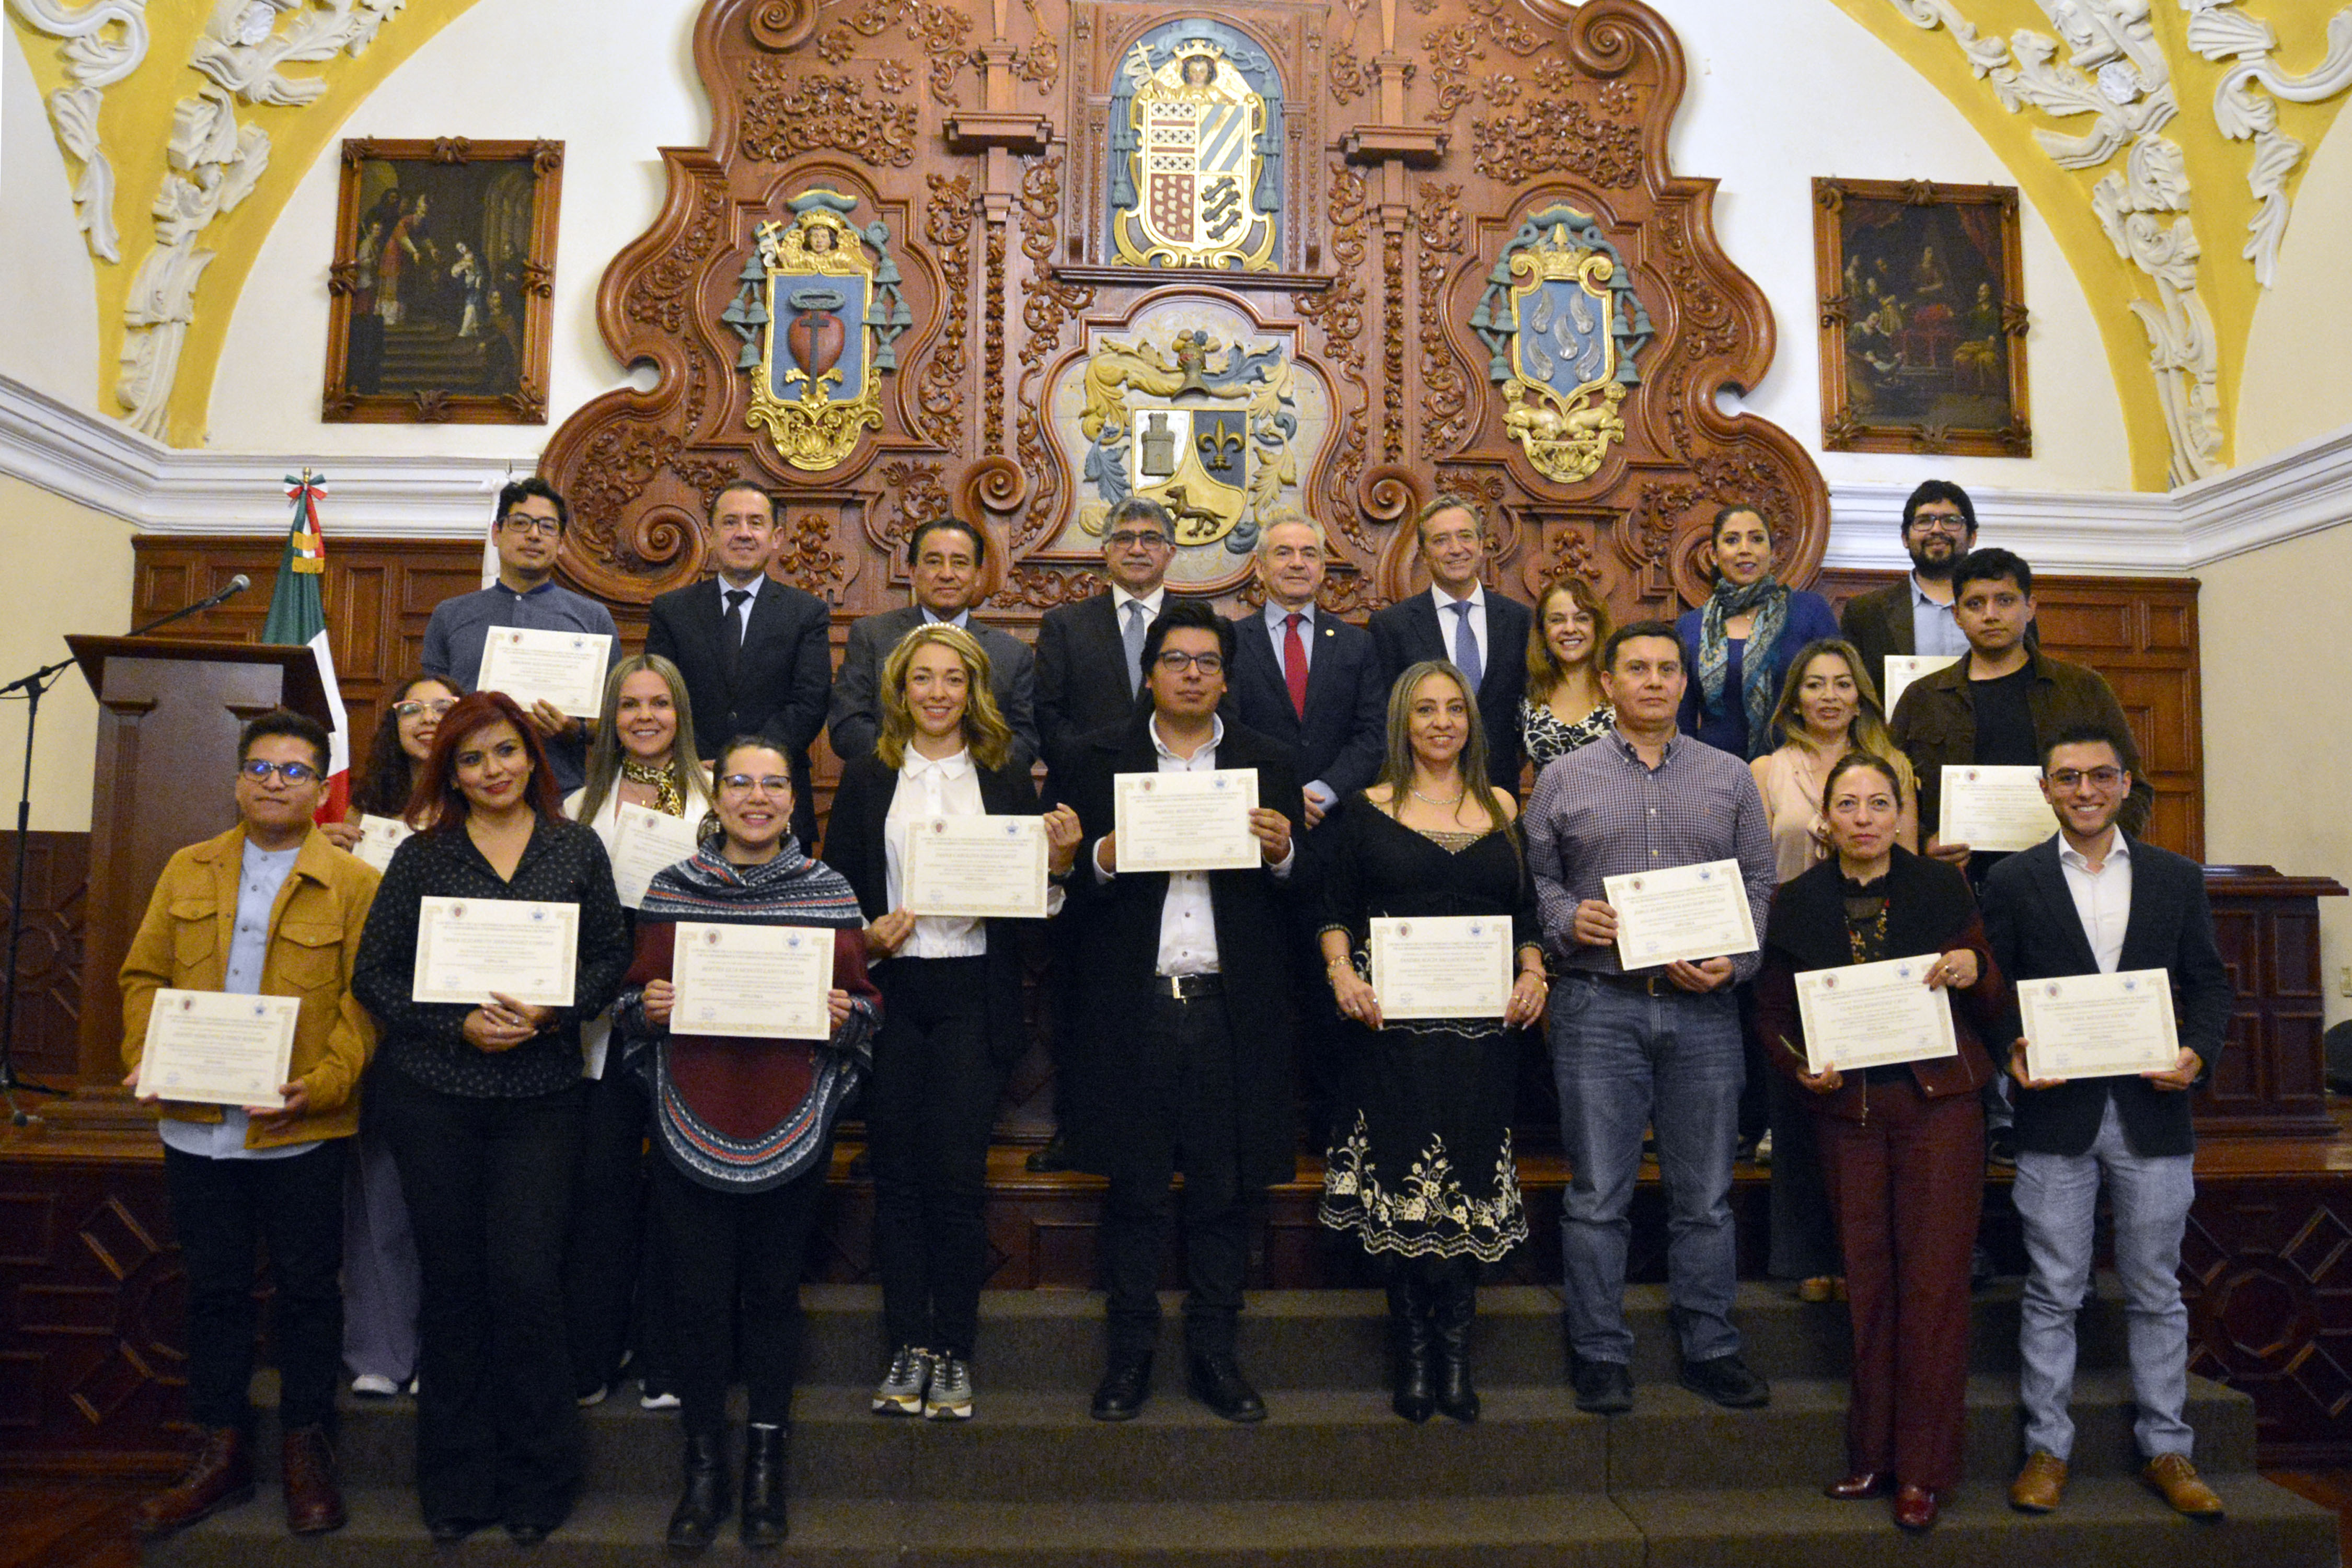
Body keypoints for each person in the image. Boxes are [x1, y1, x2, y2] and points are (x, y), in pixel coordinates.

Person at [349, 690, 631, 1544]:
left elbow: (611, 958)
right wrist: (455, 1021)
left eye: (506, 752)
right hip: (435, 1094)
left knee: (524, 1277)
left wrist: (551, 1013)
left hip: (540, 1098)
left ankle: (541, 1476)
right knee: (456, 1281)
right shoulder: (422, 858)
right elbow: (376, 977)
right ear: (451, 773)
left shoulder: (575, 848)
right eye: (472, 760)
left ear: (530, 758)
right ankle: (456, 1481)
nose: (492, 770)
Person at [612, 737, 881, 1550]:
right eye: (740, 783)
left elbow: (868, 1006)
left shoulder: (828, 890)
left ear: (794, 801)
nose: (756, 798)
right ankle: (703, 1468)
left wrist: (847, 1019)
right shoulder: (671, 887)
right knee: (695, 1303)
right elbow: (628, 1002)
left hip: (790, 1119)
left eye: (773, 785)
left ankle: (766, 1462)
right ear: (717, 796)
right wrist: (647, 1006)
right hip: (692, 1114)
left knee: (770, 1299)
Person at [119, 710, 380, 1539]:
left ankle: (309, 1448)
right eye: (261, 768)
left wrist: (327, 1086)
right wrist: (148, 1055)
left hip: (300, 1126)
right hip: (195, 1123)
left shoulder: (356, 885)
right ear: (238, 780)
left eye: (295, 770)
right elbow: (142, 974)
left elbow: (366, 1004)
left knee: (308, 1290)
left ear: (321, 787)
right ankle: (219, 1453)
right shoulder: (185, 869)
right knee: (217, 1290)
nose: (276, 782)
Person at [825, 625, 1082, 1423]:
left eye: (953, 680)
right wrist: (864, 936)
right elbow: (834, 894)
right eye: (923, 679)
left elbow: (1033, 912)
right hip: (893, 995)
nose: (938, 694)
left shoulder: (1004, 777)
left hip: (975, 993)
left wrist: (1062, 868)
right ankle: (908, 1344)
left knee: (956, 1178)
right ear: (900, 691)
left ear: (976, 692)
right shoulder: (869, 779)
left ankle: (954, 1349)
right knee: (897, 1177)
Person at [1057, 600, 1304, 1423]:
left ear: (1227, 678)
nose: (1192, 673)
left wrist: (1284, 854)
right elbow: (1054, 896)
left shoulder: (1271, 761)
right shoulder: (1093, 761)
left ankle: (1215, 1358)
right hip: (1134, 1011)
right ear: (1150, 672)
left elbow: (1309, 898)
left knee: (1222, 1194)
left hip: (1232, 1011)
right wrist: (1098, 855)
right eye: (1176, 660)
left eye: (1206, 661)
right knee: (1133, 1192)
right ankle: (1128, 1360)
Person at [1523, 620, 1775, 1415]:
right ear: (1607, 683)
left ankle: (1711, 1344)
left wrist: (1735, 965)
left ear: (1684, 683)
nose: (1656, 681)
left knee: (1705, 1194)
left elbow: (1761, 890)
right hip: (1599, 1006)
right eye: (1637, 668)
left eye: (1669, 668)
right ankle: (1600, 1351)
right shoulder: (1562, 777)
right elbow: (1537, 883)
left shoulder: (1731, 776)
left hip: (1704, 1014)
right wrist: (1569, 921)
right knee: (1599, 1193)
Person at [1982, 725, 2232, 1521]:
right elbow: (1993, 992)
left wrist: (2196, 1054)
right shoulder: (2014, 882)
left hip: (2154, 1114)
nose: (2084, 791)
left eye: (2099, 777)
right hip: (2057, 1112)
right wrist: (2006, 1050)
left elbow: (2212, 986)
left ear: (2126, 785)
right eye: (2067, 779)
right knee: (2054, 1290)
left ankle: (2170, 1449)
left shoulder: (2176, 878)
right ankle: (2047, 1452)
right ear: (2045, 790)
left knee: (2156, 1289)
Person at [1753, 753, 2006, 1532]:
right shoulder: (1794, 902)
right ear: (1824, 820)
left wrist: (1973, 966)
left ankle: (1923, 1471)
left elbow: (1992, 986)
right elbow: (1770, 1016)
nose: (1863, 817)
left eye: (1879, 803)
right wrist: (1805, 1073)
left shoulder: (1942, 887)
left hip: (1939, 1106)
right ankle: (1871, 1454)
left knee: (1932, 1285)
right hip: (1850, 1113)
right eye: (1848, 804)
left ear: (1901, 815)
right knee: (1867, 1280)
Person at [1317, 661, 1546, 1424]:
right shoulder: (1367, 808)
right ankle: (1414, 1355)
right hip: (1392, 1035)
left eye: (1455, 709)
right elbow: (1334, 907)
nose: (1442, 722)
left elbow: (1528, 915)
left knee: (1470, 1183)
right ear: (1402, 723)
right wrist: (1342, 973)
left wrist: (1535, 970)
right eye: (1425, 711)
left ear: (1472, 723)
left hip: (1485, 1036)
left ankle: (1456, 1354)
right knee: (1405, 1189)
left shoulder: (1504, 805)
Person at [1029, 495, 1215, 1172]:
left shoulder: (1197, 629)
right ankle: (1076, 1128)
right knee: (1083, 984)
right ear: (1105, 551)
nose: (1137, 548)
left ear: (1170, 551)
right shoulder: (1066, 624)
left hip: (1185, 825)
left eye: (1151, 538)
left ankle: (1177, 1132)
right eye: (1125, 538)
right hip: (1089, 822)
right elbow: (1048, 714)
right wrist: (1105, 777)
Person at [562, 653, 715, 1412]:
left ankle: (667, 1357)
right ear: (610, 718)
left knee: (683, 1199)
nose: (646, 717)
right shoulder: (572, 807)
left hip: (692, 1019)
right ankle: (595, 1349)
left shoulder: (717, 800)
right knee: (600, 1192)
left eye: (660, 703)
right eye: (630, 706)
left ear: (681, 713)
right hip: (601, 1025)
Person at [1748, 639, 1918, 1302]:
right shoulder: (1766, 768)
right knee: (1802, 1107)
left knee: (1869, 1110)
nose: (1828, 696)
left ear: (1860, 694)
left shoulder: (1893, 765)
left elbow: (1908, 860)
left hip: (1877, 948)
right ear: (1794, 697)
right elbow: (1757, 863)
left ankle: (1869, 1258)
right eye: (1814, 684)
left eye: (1842, 684)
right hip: (1795, 944)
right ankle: (1808, 1253)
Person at [330, 674, 459, 1400]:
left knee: (446, 1198)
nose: (430, 719)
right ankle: (381, 1348)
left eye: (446, 709)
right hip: (375, 1018)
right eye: (416, 708)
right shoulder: (361, 815)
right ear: (395, 725)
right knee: (375, 1187)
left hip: (460, 1025)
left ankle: (444, 1346)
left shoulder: (485, 806)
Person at [1888, 547, 2152, 874]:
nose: (1990, 614)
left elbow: (2134, 789)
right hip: (1953, 887)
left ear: (2030, 608)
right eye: (1975, 604)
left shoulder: (2082, 689)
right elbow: (1887, 793)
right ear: (1957, 616)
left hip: (2064, 880)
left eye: (2005, 601)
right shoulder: (1922, 698)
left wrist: (2094, 850)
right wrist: (1924, 843)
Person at [644, 479, 834, 852]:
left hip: (777, 796)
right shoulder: (671, 610)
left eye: (755, 522)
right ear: (711, 535)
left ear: (776, 536)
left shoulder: (807, 613)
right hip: (690, 785)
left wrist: (744, 768)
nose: (744, 533)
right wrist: (697, 761)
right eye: (731, 523)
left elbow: (809, 704)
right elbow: (661, 697)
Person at [421, 478, 617, 795]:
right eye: (521, 523)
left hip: (559, 792)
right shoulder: (450, 615)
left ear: (562, 542)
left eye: (547, 526)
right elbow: (432, 708)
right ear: (497, 534)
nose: (534, 534)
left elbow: (616, 723)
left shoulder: (593, 618)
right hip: (468, 792)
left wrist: (573, 729)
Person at [827, 515, 1040, 769]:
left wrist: (958, 765)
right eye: (934, 562)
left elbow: (1024, 741)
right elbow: (847, 727)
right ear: (913, 572)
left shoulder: (1012, 654)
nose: (947, 574)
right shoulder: (871, 636)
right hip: (888, 786)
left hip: (978, 792)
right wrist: (916, 763)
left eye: (960, 563)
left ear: (978, 575)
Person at [1226, 517, 1387, 833]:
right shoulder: (1230, 642)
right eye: (1284, 553)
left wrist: (1326, 792)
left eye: (1309, 554)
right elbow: (1226, 732)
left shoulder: (1358, 644)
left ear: (1323, 570)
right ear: (1260, 568)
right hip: (1255, 821)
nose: (1298, 564)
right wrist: (1280, 796)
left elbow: (1374, 734)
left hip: (1339, 823)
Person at [1368, 495, 1534, 793]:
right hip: (1420, 791)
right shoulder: (1392, 626)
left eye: (1466, 536)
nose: (1456, 549)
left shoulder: (1519, 620)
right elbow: (1385, 719)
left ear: (1482, 546)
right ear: (1424, 553)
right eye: (1441, 540)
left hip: (1499, 789)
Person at [1674, 503, 1840, 760]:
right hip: (1714, 774)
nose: (1745, 550)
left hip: (1799, 768)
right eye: (1731, 540)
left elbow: (1842, 691)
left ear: (1772, 552)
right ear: (1715, 555)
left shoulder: (1809, 611)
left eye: (1756, 539)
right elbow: (1682, 720)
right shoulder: (1691, 626)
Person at [1838, 480, 1978, 696]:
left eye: (1950, 521)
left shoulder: (2006, 607)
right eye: (1924, 521)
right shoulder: (1865, 613)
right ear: (1905, 538)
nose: (1937, 530)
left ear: (1972, 537)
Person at [1520, 575, 1616, 770]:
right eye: (1557, 620)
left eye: (1582, 619)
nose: (1570, 629)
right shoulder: (1530, 694)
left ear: (1596, 626)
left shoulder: (1620, 689)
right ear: (1543, 631)